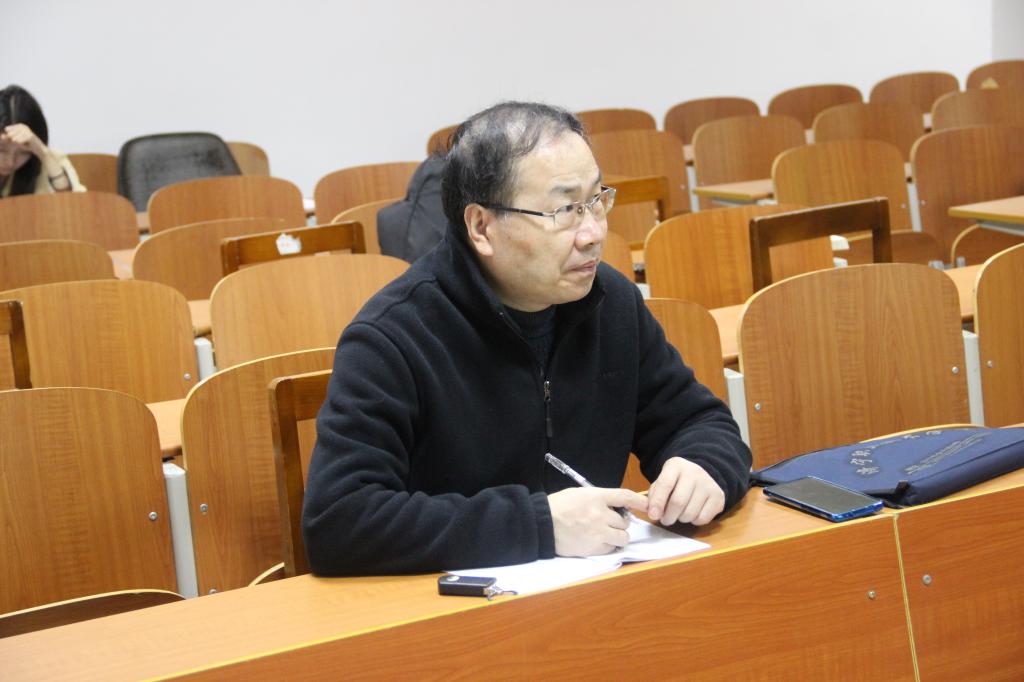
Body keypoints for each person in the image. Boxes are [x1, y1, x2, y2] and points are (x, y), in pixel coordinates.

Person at [303, 102, 751, 575]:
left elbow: (700, 422)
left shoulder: (610, 302)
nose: (593, 233)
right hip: (450, 604)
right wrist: (539, 524)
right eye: (564, 210)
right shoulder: (393, 337)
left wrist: (703, 467)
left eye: (596, 201)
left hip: (597, 588)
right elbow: (339, 520)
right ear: (482, 227)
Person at [0, 85, 84, 198]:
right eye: (1, 150)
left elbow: (74, 204)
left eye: (24, 152)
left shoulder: (49, 159)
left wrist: (43, 152)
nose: (10, 162)